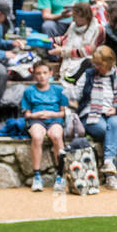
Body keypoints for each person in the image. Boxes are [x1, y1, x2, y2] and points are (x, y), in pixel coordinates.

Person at [71, 45, 117, 189]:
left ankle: (108, 164)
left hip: (113, 114)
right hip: (91, 114)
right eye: (95, 63)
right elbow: (76, 94)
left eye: (100, 64)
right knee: (107, 131)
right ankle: (111, 175)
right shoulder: (89, 74)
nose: (96, 67)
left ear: (109, 64)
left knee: (115, 124)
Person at [19, 57, 68, 194]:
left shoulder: (59, 90)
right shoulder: (29, 91)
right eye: (38, 73)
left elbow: (62, 113)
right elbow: (27, 114)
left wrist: (51, 114)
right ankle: (37, 176)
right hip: (36, 119)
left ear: (51, 74)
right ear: (34, 75)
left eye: (45, 73)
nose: (42, 76)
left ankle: (60, 175)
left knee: (57, 136)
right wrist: (37, 114)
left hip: (54, 119)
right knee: (37, 136)